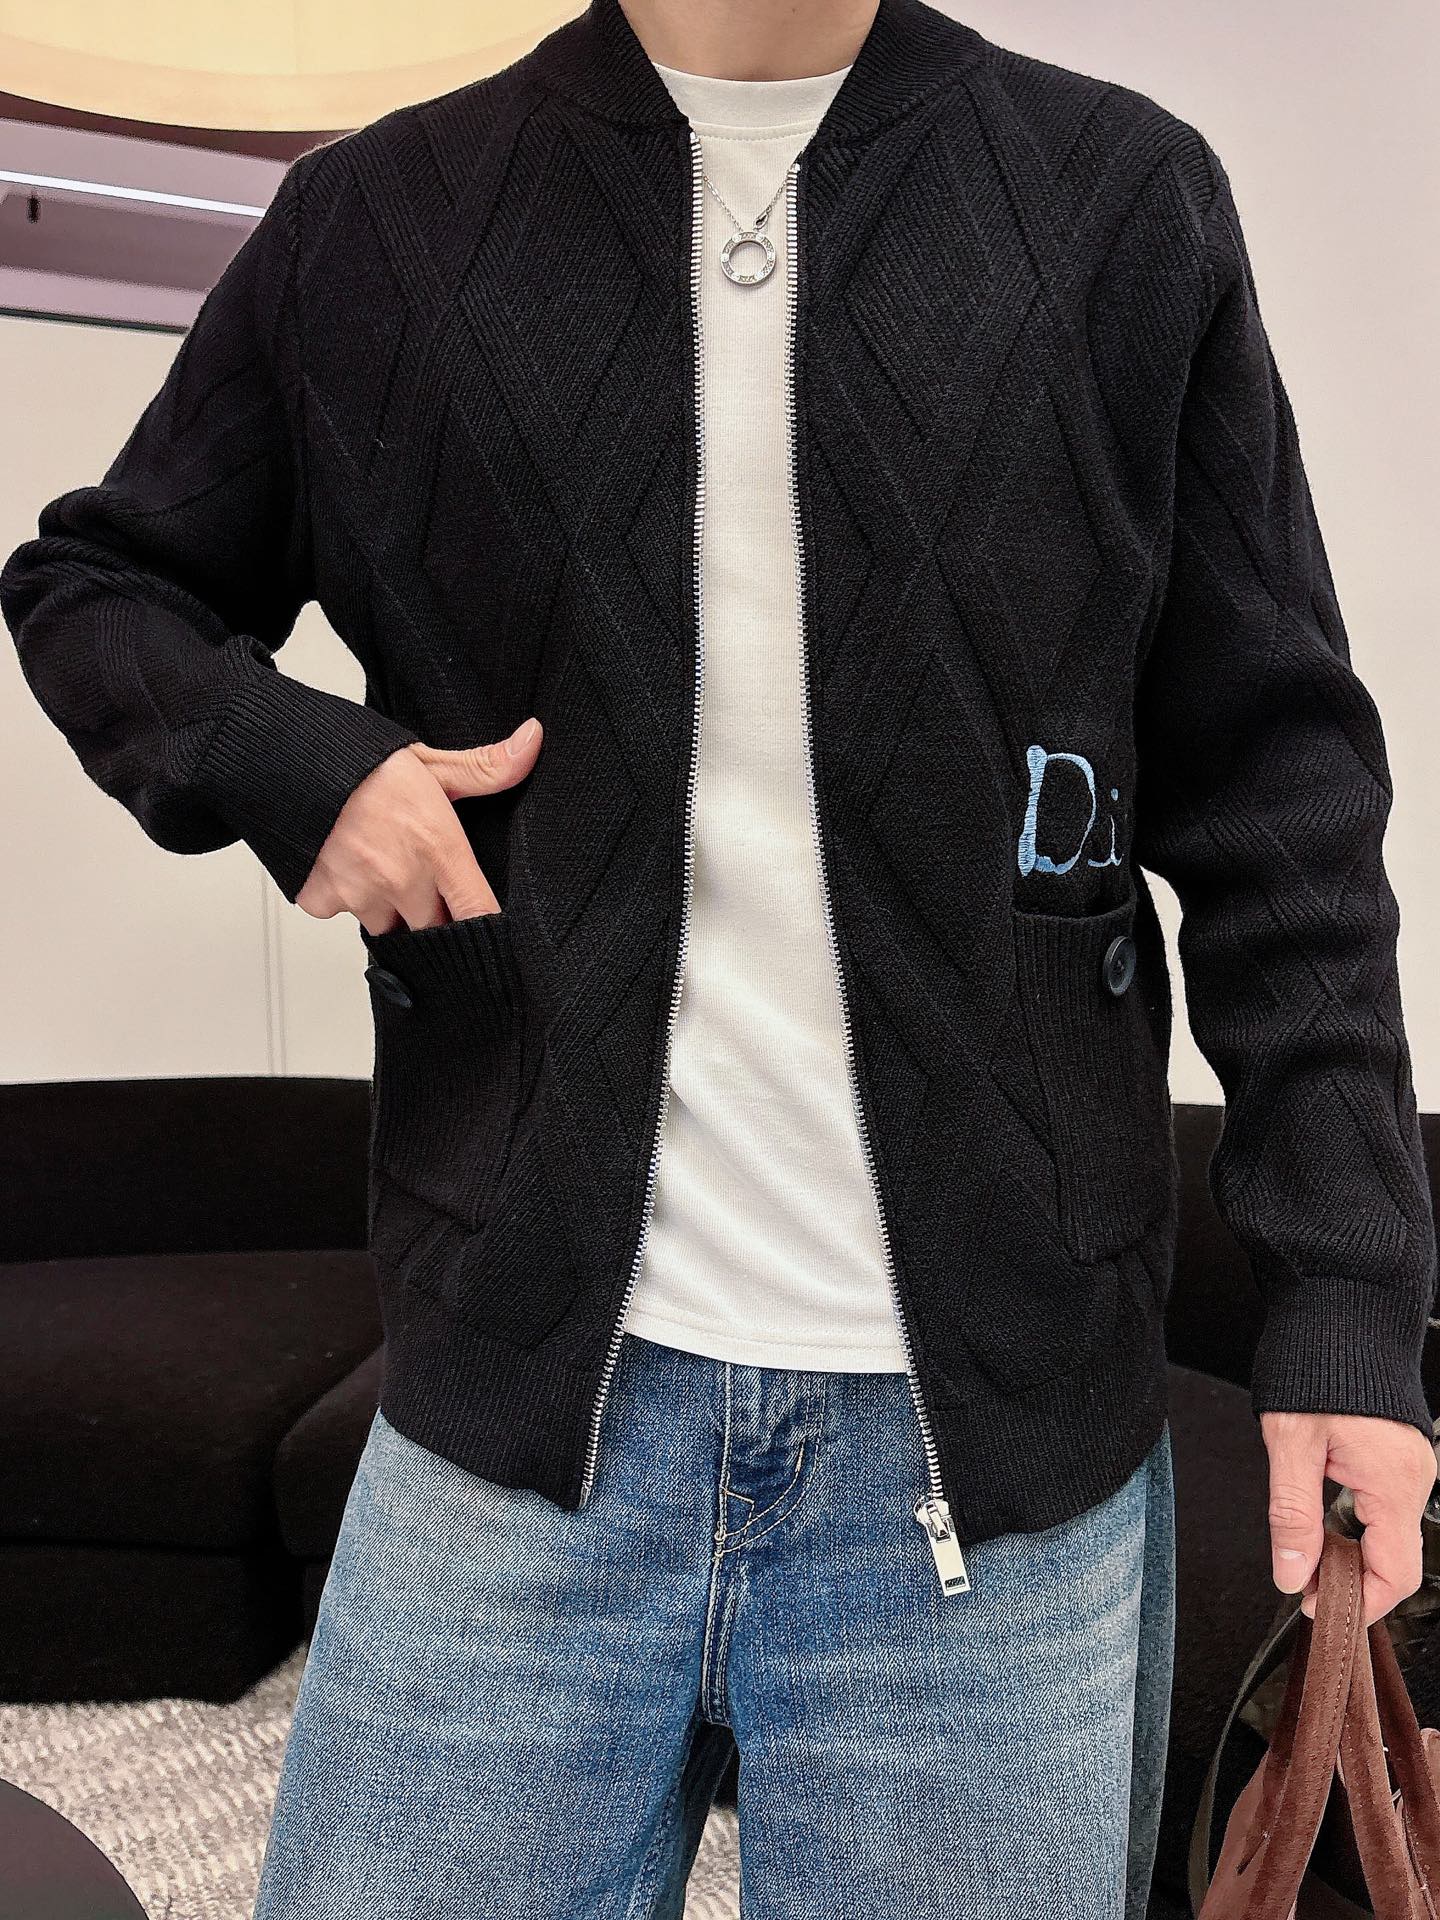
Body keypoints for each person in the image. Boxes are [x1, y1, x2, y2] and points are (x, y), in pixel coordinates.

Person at [2, 0, 1434, 1912]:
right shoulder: (378, 218)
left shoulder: (1117, 199)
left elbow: (1282, 800)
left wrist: (1348, 1304)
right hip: (515, 1415)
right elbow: (98, 584)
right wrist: (300, 768)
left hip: (990, 1458)